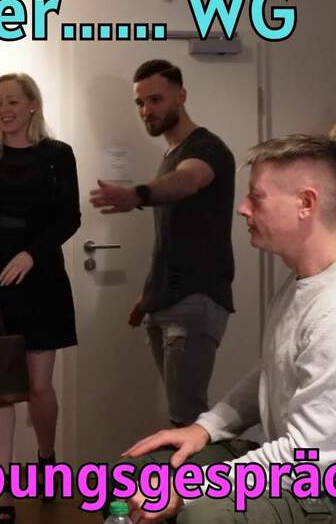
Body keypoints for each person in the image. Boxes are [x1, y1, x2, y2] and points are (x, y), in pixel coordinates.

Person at [120, 133, 336, 523]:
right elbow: (272, 370)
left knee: (205, 515)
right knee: (139, 472)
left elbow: (304, 455)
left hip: (317, 480)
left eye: (257, 197)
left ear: (306, 204)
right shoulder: (299, 282)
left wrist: (188, 491)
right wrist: (205, 428)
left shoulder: (331, 311)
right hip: (287, 459)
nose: (242, 207)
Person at [0, 72, 81, 523]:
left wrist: (31, 254)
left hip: (40, 282)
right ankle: (2, 489)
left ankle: (46, 455)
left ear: (32, 105)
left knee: (39, 388)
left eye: (12, 102)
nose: (4, 110)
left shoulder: (57, 155)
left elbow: (69, 217)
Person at [89, 59, 236, 427]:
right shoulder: (171, 154)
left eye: (155, 100)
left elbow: (186, 182)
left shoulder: (206, 148)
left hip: (194, 300)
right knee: (180, 415)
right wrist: (148, 295)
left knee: (186, 419)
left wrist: (135, 194)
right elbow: (174, 237)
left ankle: (207, 469)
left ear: (181, 96)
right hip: (165, 301)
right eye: (140, 103)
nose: (146, 110)